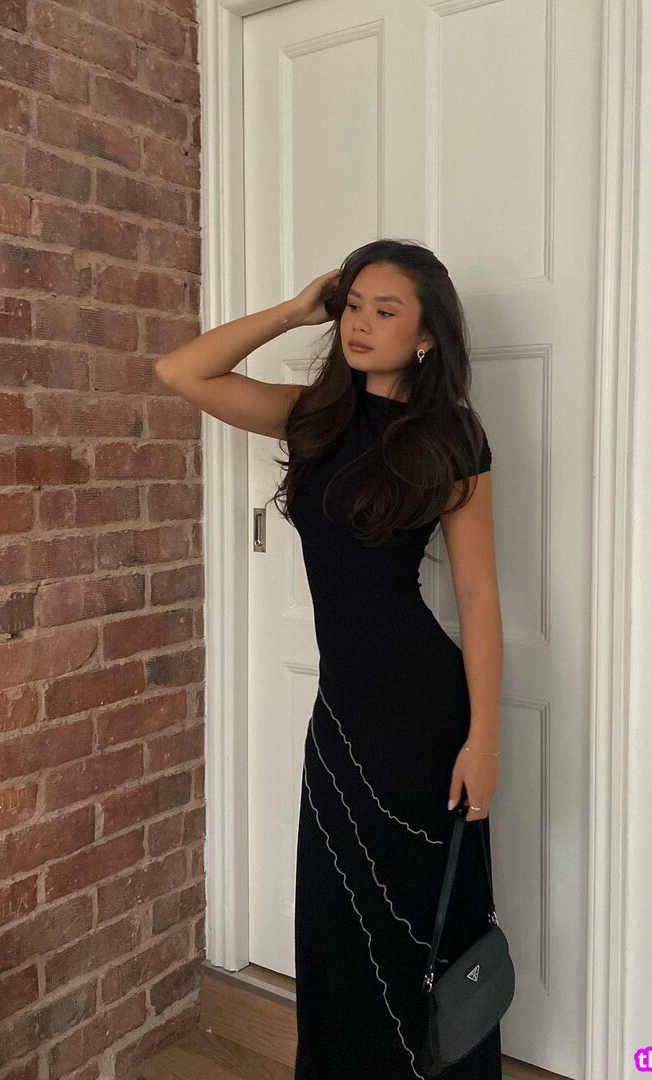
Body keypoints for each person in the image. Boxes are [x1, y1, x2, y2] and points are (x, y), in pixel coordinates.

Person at [155, 238, 504, 1078]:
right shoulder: (315, 417)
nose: (360, 323)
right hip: (344, 710)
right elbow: (181, 372)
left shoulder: (450, 438)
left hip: (423, 712)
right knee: (336, 912)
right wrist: (292, 310)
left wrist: (485, 739)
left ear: (427, 336)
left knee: (425, 911)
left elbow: (478, 594)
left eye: (386, 310)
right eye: (353, 306)